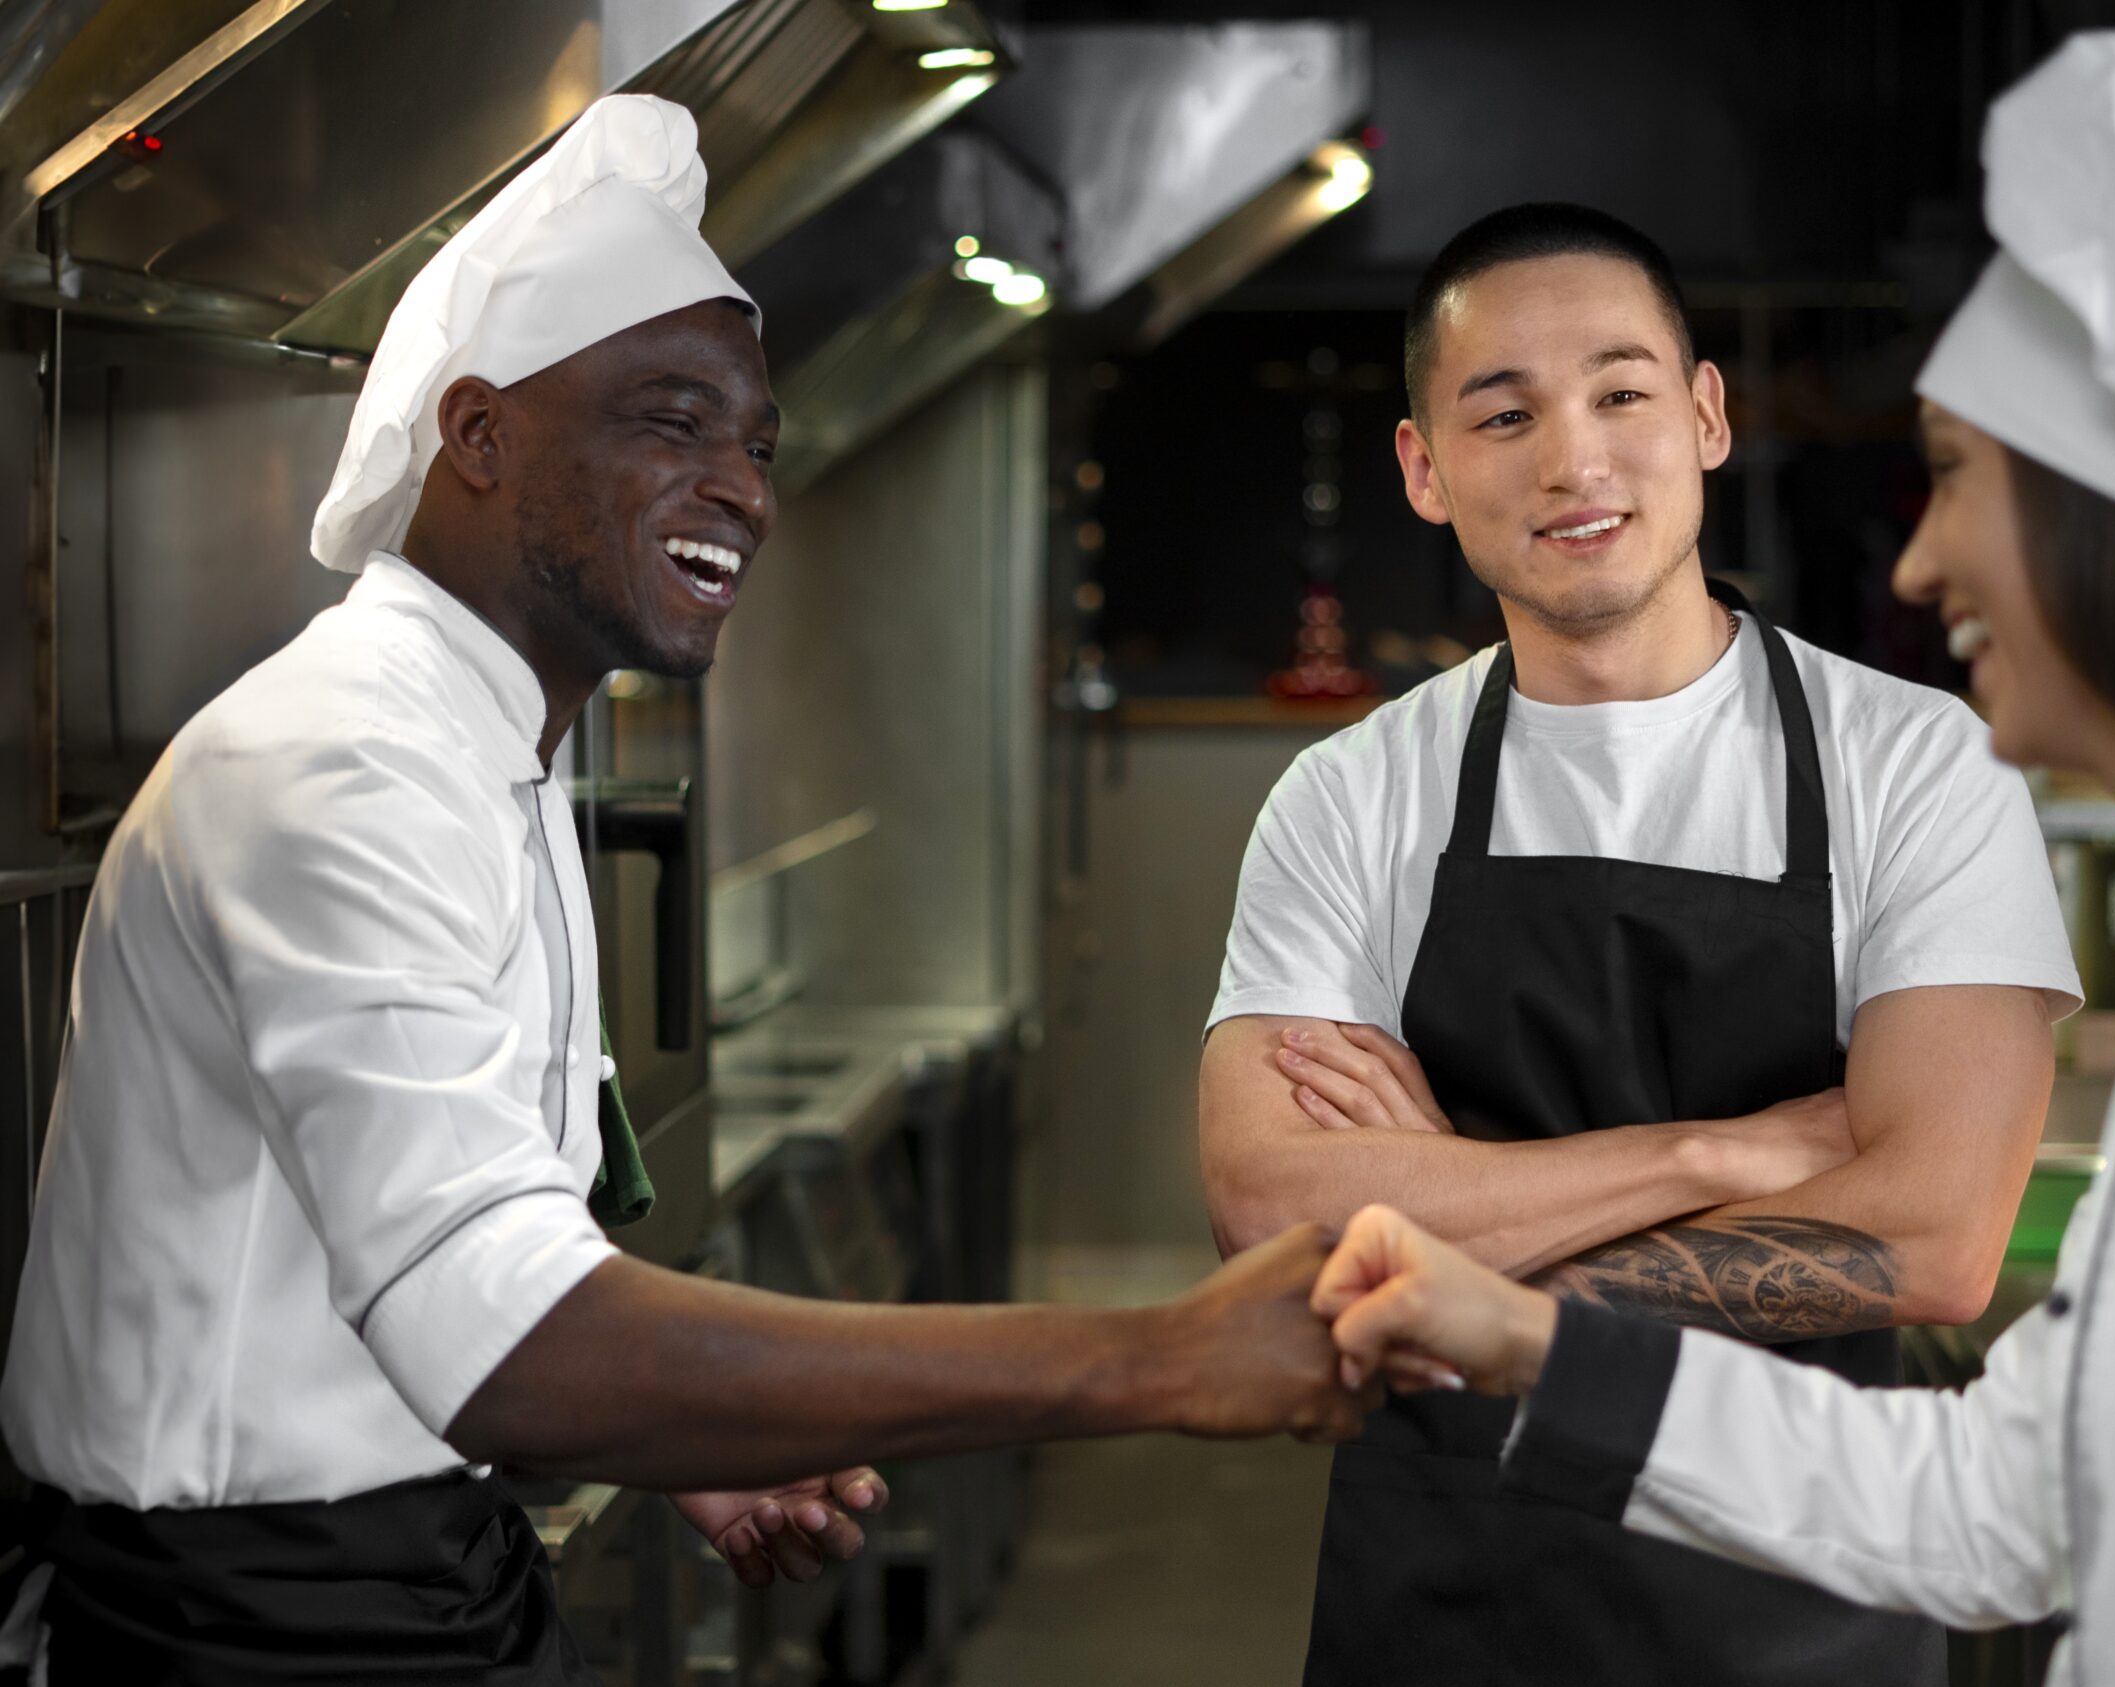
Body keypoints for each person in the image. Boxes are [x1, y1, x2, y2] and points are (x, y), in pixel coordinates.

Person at [0, 96, 1368, 1685]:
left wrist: (683, 1432)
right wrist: (1153, 1359)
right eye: (671, 418)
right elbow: (498, 1335)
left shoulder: (491, 748)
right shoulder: (337, 766)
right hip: (242, 1632)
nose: (743, 487)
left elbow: (417, 1281)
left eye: (757, 444)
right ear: (481, 434)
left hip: (414, 1563)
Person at [1309, 27, 2115, 1686]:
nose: (1918, 555)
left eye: (1960, 478)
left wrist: (1507, 1238)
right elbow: (2008, 1497)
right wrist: (1522, 1334)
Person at [1198, 200, 2084, 1683]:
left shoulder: (1918, 764)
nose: (1574, 460)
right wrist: (1727, 1152)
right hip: (1449, 1602)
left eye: (1620, 392)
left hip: (1804, 1596)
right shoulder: (1353, 794)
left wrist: (1451, 1232)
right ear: (1423, 469)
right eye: (1504, 414)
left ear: (1705, 415)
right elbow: (1268, 1211)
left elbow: (1935, 1243)